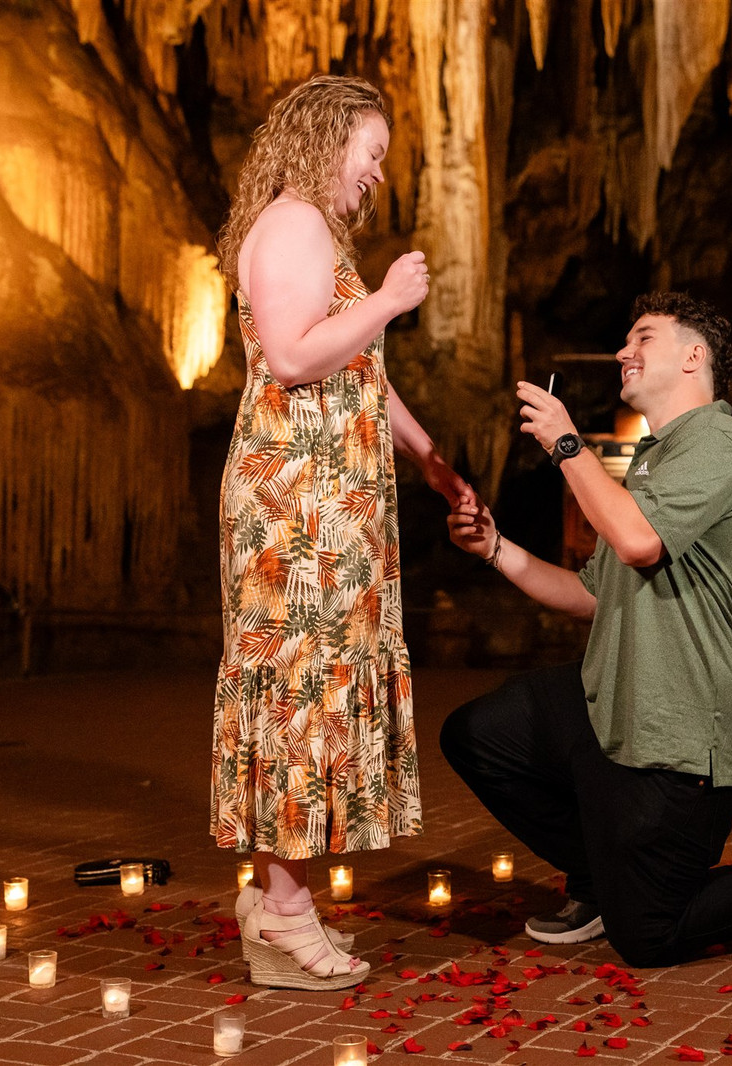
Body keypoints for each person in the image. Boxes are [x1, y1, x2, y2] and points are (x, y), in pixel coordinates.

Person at [441, 292, 732, 968]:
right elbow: (591, 595)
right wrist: (496, 548)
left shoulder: (721, 441)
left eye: (642, 336)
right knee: (479, 735)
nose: (624, 351)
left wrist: (567, 444)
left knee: (648, 932)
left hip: (681, 723)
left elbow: (641, 542)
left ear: (694, 357)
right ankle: (599, 873)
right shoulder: (652, 460)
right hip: (611, 701)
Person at [210, 74, 473, 991]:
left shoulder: (316, 231)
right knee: (300, 687)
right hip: (298, 503)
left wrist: (431, 458)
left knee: (310, 683)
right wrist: (392, 299)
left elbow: (351, 362)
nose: (376, 175)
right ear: (327, 142)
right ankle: (285, 913)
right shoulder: (292, 225)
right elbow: (289, 356)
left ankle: (271, 895)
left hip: (330, 496)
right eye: (372, 154)